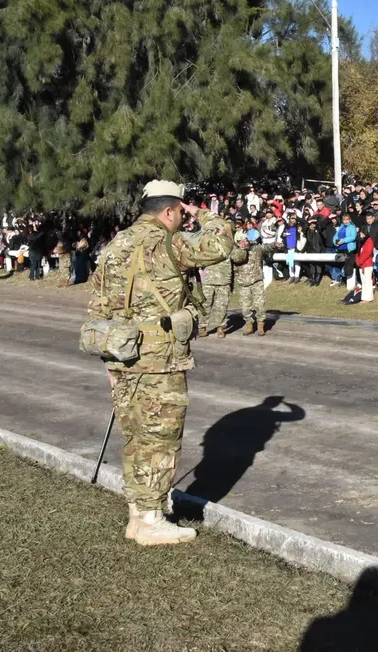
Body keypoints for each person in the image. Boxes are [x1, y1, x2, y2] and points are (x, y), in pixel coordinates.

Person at [85, 179, 233, 545]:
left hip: (123, 354)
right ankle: (151, 520)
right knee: (160, 438)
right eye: (181, 212)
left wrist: (109, 358)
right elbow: (218, 247)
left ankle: (139, 515)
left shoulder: (116, 245)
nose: (184, 218)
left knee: (136, 436)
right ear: (169, 211)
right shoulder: (168, 241)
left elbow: (100, 304)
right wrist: (209, 217)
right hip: (159, 357)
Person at [199, 231, 235, 339]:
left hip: (223, 281)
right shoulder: (206, 246)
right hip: (209, 280)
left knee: (222, 306)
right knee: (205, 305)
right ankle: (202, 327)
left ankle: (220, 328)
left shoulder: (229, 246)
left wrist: (242, 248)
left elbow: (238, 257)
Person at [231, 231, 267, 336]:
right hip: (243, 283)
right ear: (237, 243)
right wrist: (242, 249)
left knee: (260, 304)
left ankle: (261, 325)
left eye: (246, 240)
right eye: (242, 241)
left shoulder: (255, 248)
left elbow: (266, 247)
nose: (245, 243)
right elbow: (238, 259)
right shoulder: (235, 252)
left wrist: (275, 245)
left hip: (257, 280)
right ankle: (249, 325)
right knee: (245, 306)